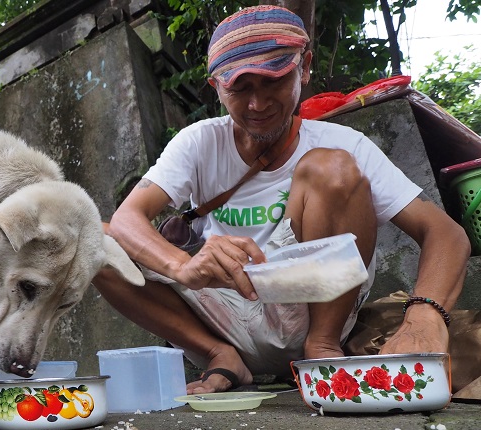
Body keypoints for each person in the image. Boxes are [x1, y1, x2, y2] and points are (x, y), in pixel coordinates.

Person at [92, 5, 470, 395]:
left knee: (332, 168)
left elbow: (446, 234)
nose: (257, 104)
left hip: (309, 307)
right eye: (240, 88)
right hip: (222, 314)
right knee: (93, 242)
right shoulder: (199, 141)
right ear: (216, 88)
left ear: (303, 68)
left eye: (273, 80)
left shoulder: (343, 144)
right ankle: (221, 355)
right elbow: (126, 219)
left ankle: (322, 347)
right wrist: (182, 266)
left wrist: (423, 318)